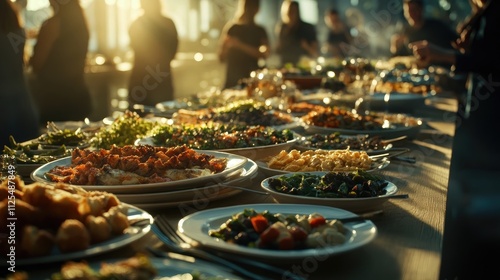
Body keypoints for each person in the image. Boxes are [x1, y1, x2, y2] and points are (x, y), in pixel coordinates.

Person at [410, 1, 500, 278]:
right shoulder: (485, 11)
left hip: (492, 119)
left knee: (465, 187)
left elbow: (493, 62)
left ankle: (462, 261)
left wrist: (444, 55)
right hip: (482, 113)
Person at [29, 0, 92, 123]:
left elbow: (36, 64)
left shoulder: (51, 24)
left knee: (54, 140)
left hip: (56, 100)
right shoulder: (81, 24)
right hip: (79, 96)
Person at [0, 0, 40, 147]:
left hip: (3, 110)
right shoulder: (18, 33)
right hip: (24, 106)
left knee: (6, 163)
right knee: (22, 161)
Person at [128, 0, 179, 107]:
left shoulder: (136, 24)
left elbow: (135, 48)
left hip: (142, 81)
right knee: (163, 116)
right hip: (159, 79)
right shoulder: (168, 23)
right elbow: (173, 52)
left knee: (138, 117)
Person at [218, 0, 269, 89]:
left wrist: (239, 45)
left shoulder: (260, 30)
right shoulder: (232, 28)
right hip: (232, 81)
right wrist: (226, 47)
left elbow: (265, 54)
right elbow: (221, 57)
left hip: (251, 82)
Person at [390, 0, 457, 58]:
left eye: (413, 10)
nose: (410, 14)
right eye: (407, 11)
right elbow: (400, 57)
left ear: (421, 9)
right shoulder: (405, 31)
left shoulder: (436, 26)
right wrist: (395, 49)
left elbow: (456, 42)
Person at [275, 0, 319, 67]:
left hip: (304, 66)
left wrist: (306, 46)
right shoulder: (282, 27)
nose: (291, 14)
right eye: (290, 11)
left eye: (294, 11)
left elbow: (315, 51)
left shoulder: (307, 28)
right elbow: (278, 48)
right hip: (286, 65)